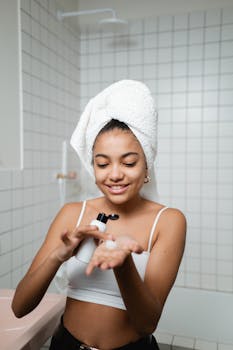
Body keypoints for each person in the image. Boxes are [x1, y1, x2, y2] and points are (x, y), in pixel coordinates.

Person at [12, 80, 186, 350]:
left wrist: (123, 265)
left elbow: (146, 323)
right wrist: (59, 255)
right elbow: (20, 306)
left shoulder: (168, 221)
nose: (114, 174)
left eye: (128, 162)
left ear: (147, 164)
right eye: (102, 163)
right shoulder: (73, 214)